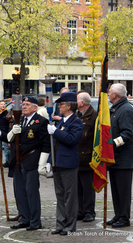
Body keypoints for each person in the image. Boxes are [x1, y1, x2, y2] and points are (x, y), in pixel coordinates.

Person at [3, 96, 50, 231]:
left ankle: (35, 221)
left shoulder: (41, 122)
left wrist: (42, 163)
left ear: (35, 107)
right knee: (20, 192)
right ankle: (24, 218)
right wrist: (12, 131)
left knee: (31, 192)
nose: (23, 106)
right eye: (23, 104)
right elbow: (9, 139)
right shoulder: (20, 120)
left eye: (27, 104)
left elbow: (46, 145)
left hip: (32, 161)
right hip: (18, 161)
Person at [47, 92, 83, 235]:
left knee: (70, 196)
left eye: (61, 104)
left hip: (68, 163)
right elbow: (54, 144)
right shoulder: (63, 121)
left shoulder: (76, 121)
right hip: (58, 163)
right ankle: (60, 224)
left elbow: (72, 139)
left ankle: (70, 225)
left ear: (69, 106)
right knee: (60, 195)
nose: (59, 107)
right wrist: (50, 160)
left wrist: (55, 131)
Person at [107, 83, 133, 228]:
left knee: (123, 191)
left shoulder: (125, 110)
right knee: (116, 189)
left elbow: (127, 134)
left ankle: (124, 217)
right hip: (114, 157)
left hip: (123, 157)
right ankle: (118, 214)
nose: (108, 93)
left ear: (116, 95)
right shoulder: (116, 108)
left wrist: (112, 144)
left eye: (110, 91)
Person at [76, 92, 97, 222]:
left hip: (88, 157)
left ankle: (89, 212)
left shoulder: (94, 116)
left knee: (88, 187)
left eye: (76, 100)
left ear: (82, 103)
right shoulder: (77, 115)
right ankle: (80, 211)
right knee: (78, 187)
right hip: (77, 157)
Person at [0, 101, 12, 168]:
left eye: (4, 104)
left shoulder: (7, 113)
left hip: (5, 132)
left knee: (6, 148)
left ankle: (8, 161)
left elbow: (9, 124)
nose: (3, 105)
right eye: (2, 104)